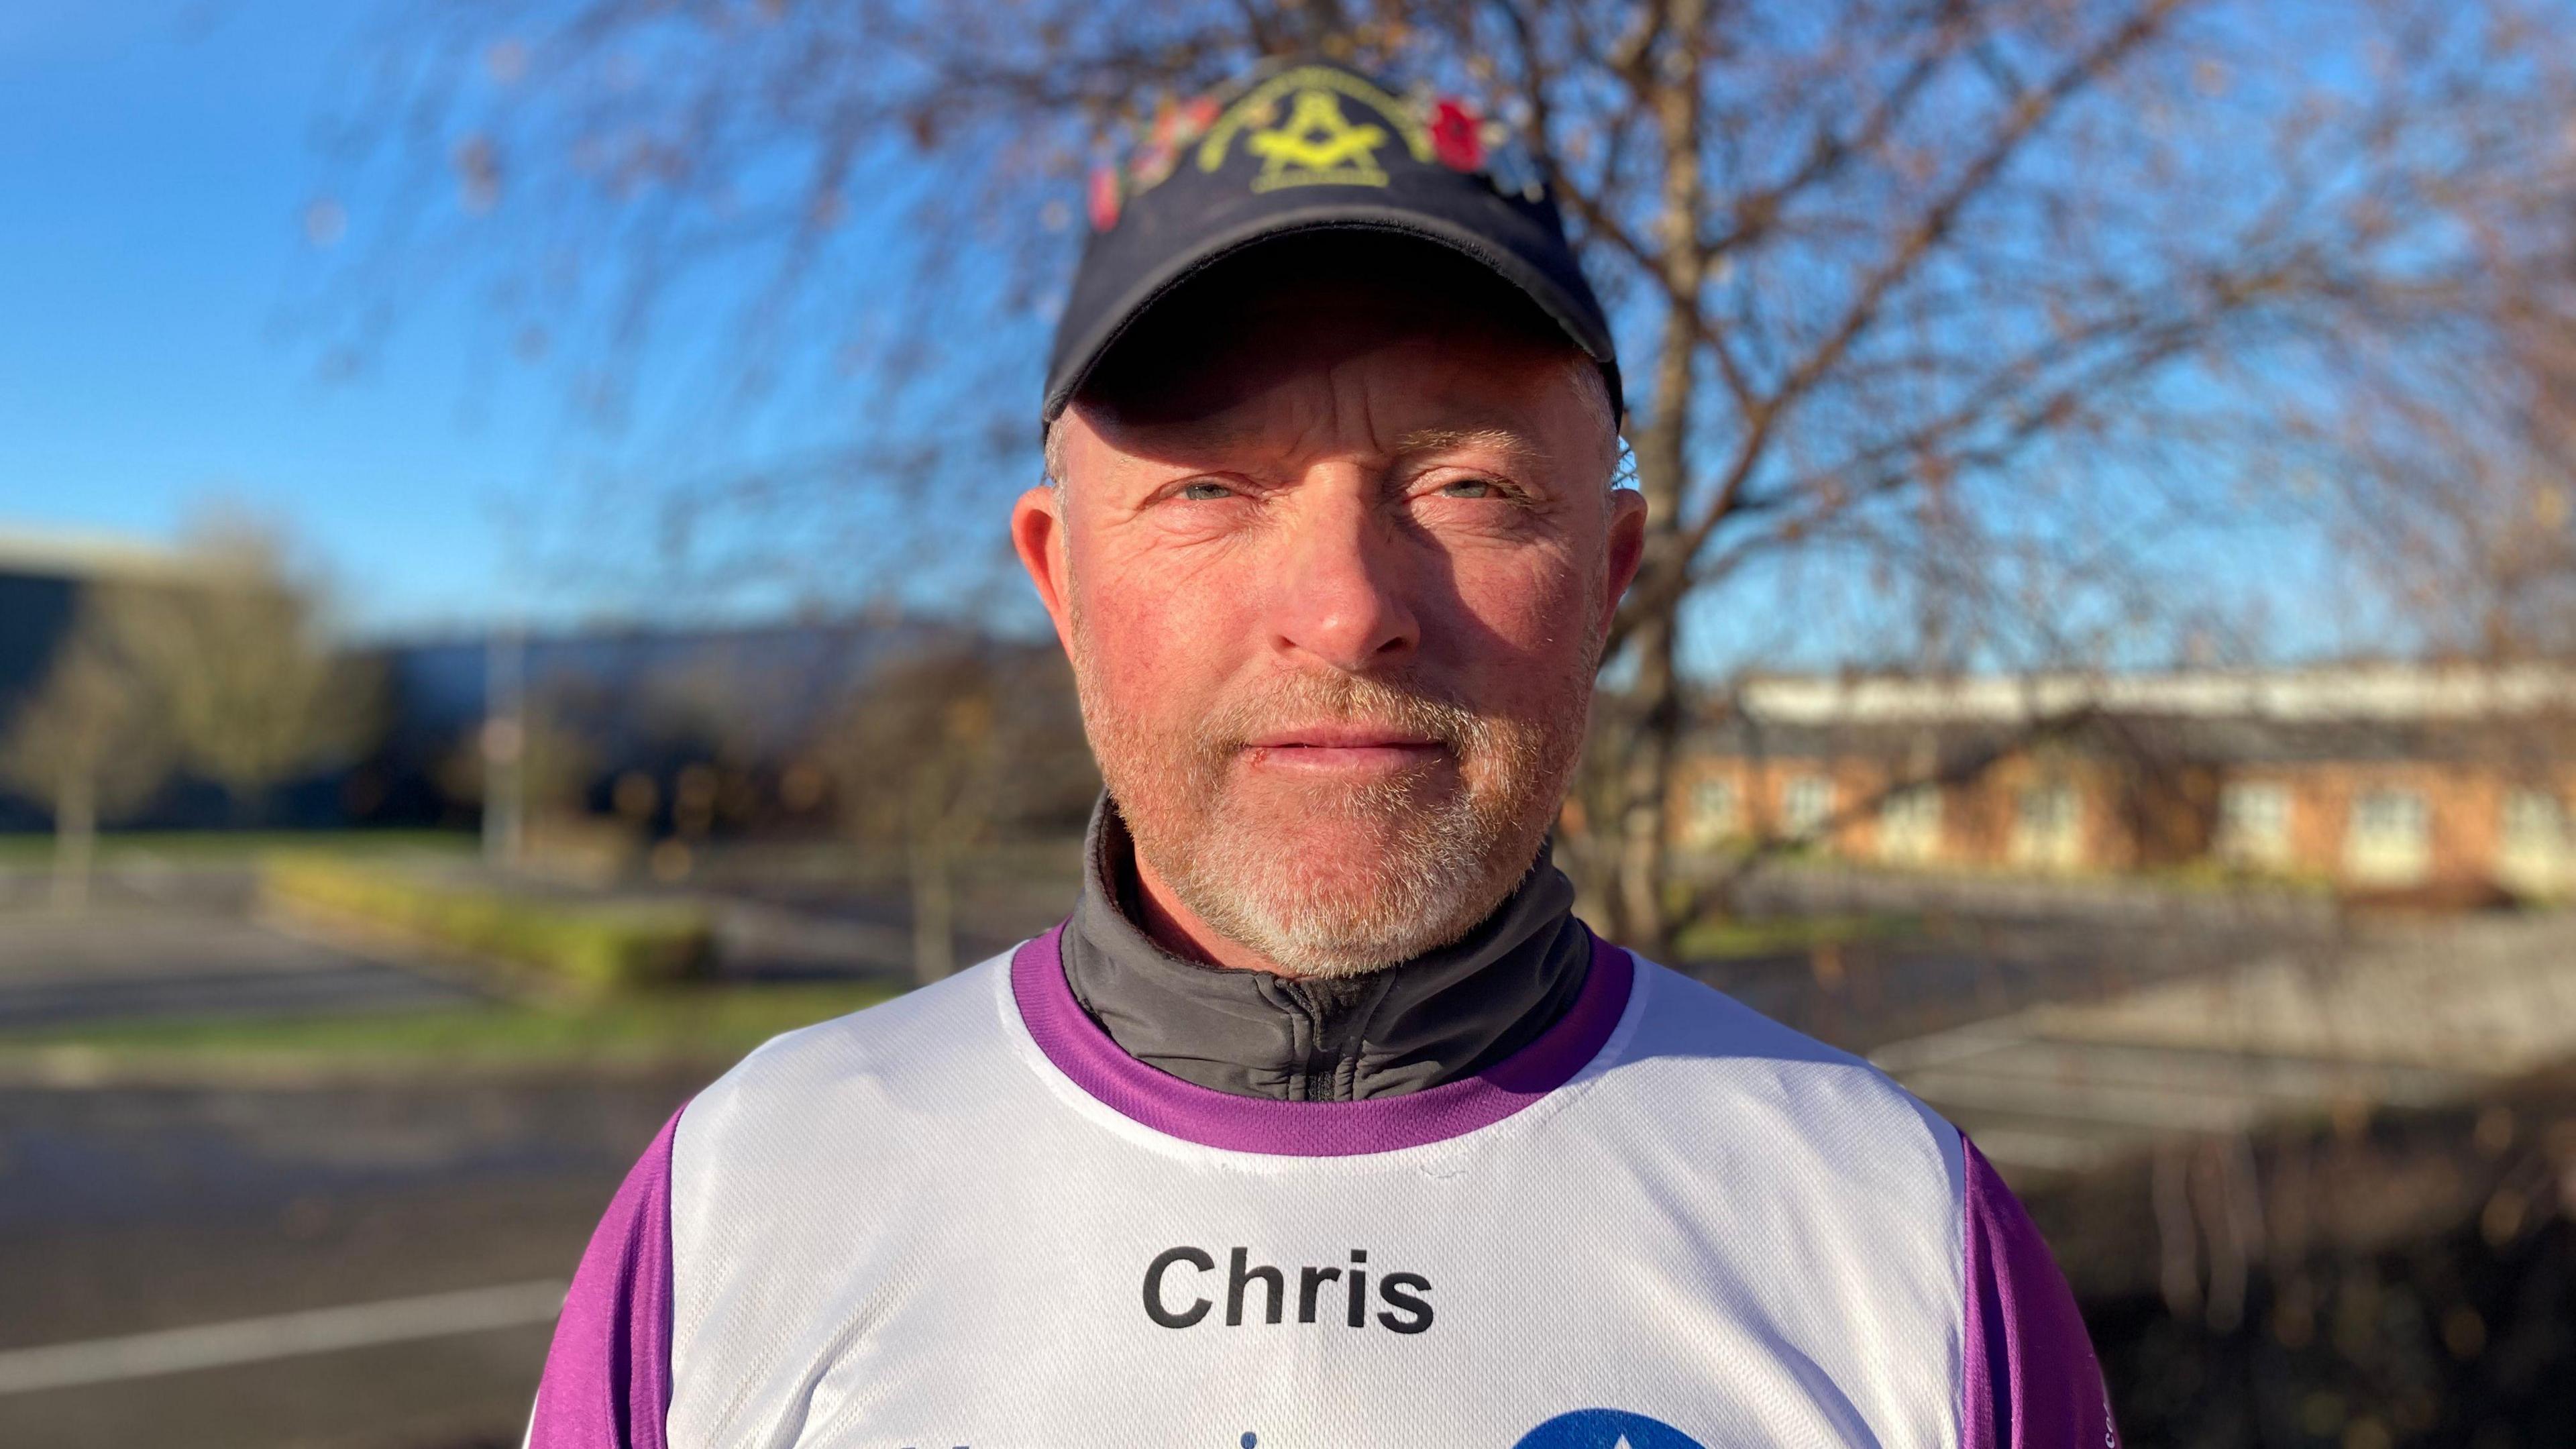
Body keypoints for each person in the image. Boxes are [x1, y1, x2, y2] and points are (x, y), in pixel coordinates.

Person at [526, 58, 2117, 1449]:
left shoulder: (1898, 1237)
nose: (1349, 609)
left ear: (1611, 580)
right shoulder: (747, 1194)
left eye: (1471, 487)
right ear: (1059, 582)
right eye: (1212, 486)